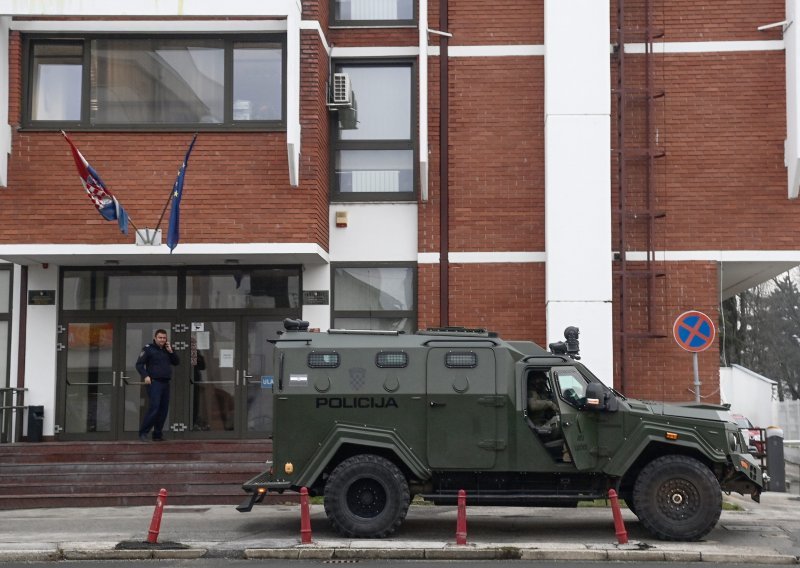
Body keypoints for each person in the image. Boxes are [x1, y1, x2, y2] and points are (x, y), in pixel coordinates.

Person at [137, 329, 180, 442]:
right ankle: (143, 433)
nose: (162, 340)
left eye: (164, 338)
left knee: (163, 410)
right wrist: (145, 376)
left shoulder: (167, 349)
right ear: (155, 338)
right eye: (160, 338)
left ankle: (157, 434)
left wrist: (171, 351)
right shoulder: (148, 349)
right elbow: (139, 364)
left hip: (165, 383)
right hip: (154, 382)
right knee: (154, 408)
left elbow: (176, 362)